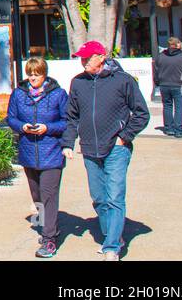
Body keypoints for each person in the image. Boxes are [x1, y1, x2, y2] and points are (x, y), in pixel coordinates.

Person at [61, 40, 150, 261]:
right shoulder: (78, 83)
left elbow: (141, 114)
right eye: (81, 58)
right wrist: (68, 143)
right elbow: (72, 116)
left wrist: (124, 137)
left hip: (116, 149)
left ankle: (111, 246)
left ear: (101, 57)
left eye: (87, 58)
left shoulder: (123, 81)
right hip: (90, 148)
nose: (83, 62)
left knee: (115, 197)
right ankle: (114, 234)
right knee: (99, 198)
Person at [6, 57, 68, 258]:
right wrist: (21, 127)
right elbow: (11, 118)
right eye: (30, 74)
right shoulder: (18, 94)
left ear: (45, 74)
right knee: (36, 194)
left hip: (51, 151)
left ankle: (49, 239)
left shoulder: (58, 95)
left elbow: (66, 122)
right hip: (28, 151)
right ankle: (45, 227)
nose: (33, 78)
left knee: (49, 194)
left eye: (37, 74)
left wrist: (47, 128)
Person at [152, 36, 182, 137]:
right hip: (181, 85)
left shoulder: (161, 56)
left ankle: (168, 128)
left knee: (167, 106)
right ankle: (179, 130)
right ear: (178, 44)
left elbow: (156, 71)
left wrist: (158, 82)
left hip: (164, 85)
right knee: (180, 108)